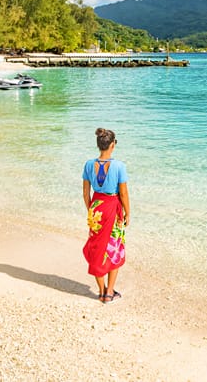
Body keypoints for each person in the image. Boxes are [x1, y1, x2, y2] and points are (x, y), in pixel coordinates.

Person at [82, 127, 129, 303]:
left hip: (97, 209)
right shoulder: (119, 166)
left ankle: (101, 291)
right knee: (113, 248)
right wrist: (128, 213)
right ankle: (109, 292)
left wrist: (92, 210)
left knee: (97, 249)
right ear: (112, 145)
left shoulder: (88, 165)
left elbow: (86, 193)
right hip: (113, 208)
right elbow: (123, 194)